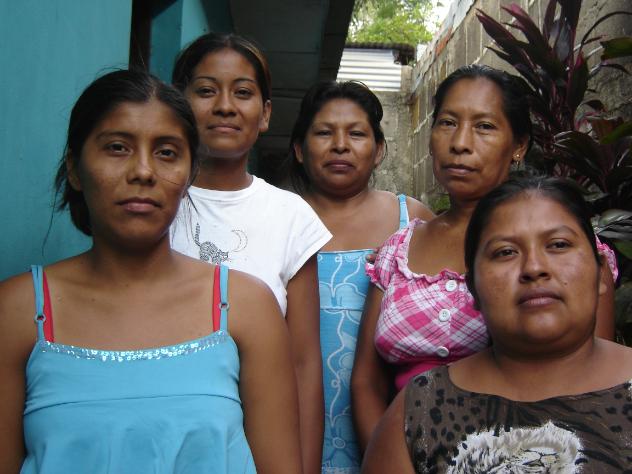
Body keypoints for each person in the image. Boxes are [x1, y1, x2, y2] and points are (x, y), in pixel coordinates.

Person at [0, 70, 302, 473]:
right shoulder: (18, 311)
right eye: (117, 147)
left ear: (189, 175)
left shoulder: (247, 307)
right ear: (74, 167)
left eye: (167, 153)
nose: (143, 171)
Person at [350, 64, 618, 453]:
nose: (460, 143)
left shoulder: (570, 253)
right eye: (447, 123)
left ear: (519, 145)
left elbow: (594, 382)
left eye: (484, 126)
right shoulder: (397, 251)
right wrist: (393, 458)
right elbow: (366, 381)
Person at [362, 175, 632, 473]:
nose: (534, 268)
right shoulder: (417, 411)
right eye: (505, 252)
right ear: (473, 288)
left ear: (600, 272)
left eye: (558, 244)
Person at [169, 33, 331, 473]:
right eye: (206, 90)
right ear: (179, 103)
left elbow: (303, 364)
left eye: (242, 92)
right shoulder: (153, 202)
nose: (225, 106)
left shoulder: (290, 216)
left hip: (262, 448)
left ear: (266, 113)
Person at [289, 80, 434, 473]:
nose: (340, 145)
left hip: (392, 431)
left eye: (356, 133)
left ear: (379, 149)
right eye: (324, 133)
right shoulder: (277, 220)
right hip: (292, 428)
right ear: (300, 149)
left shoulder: (412, 221)